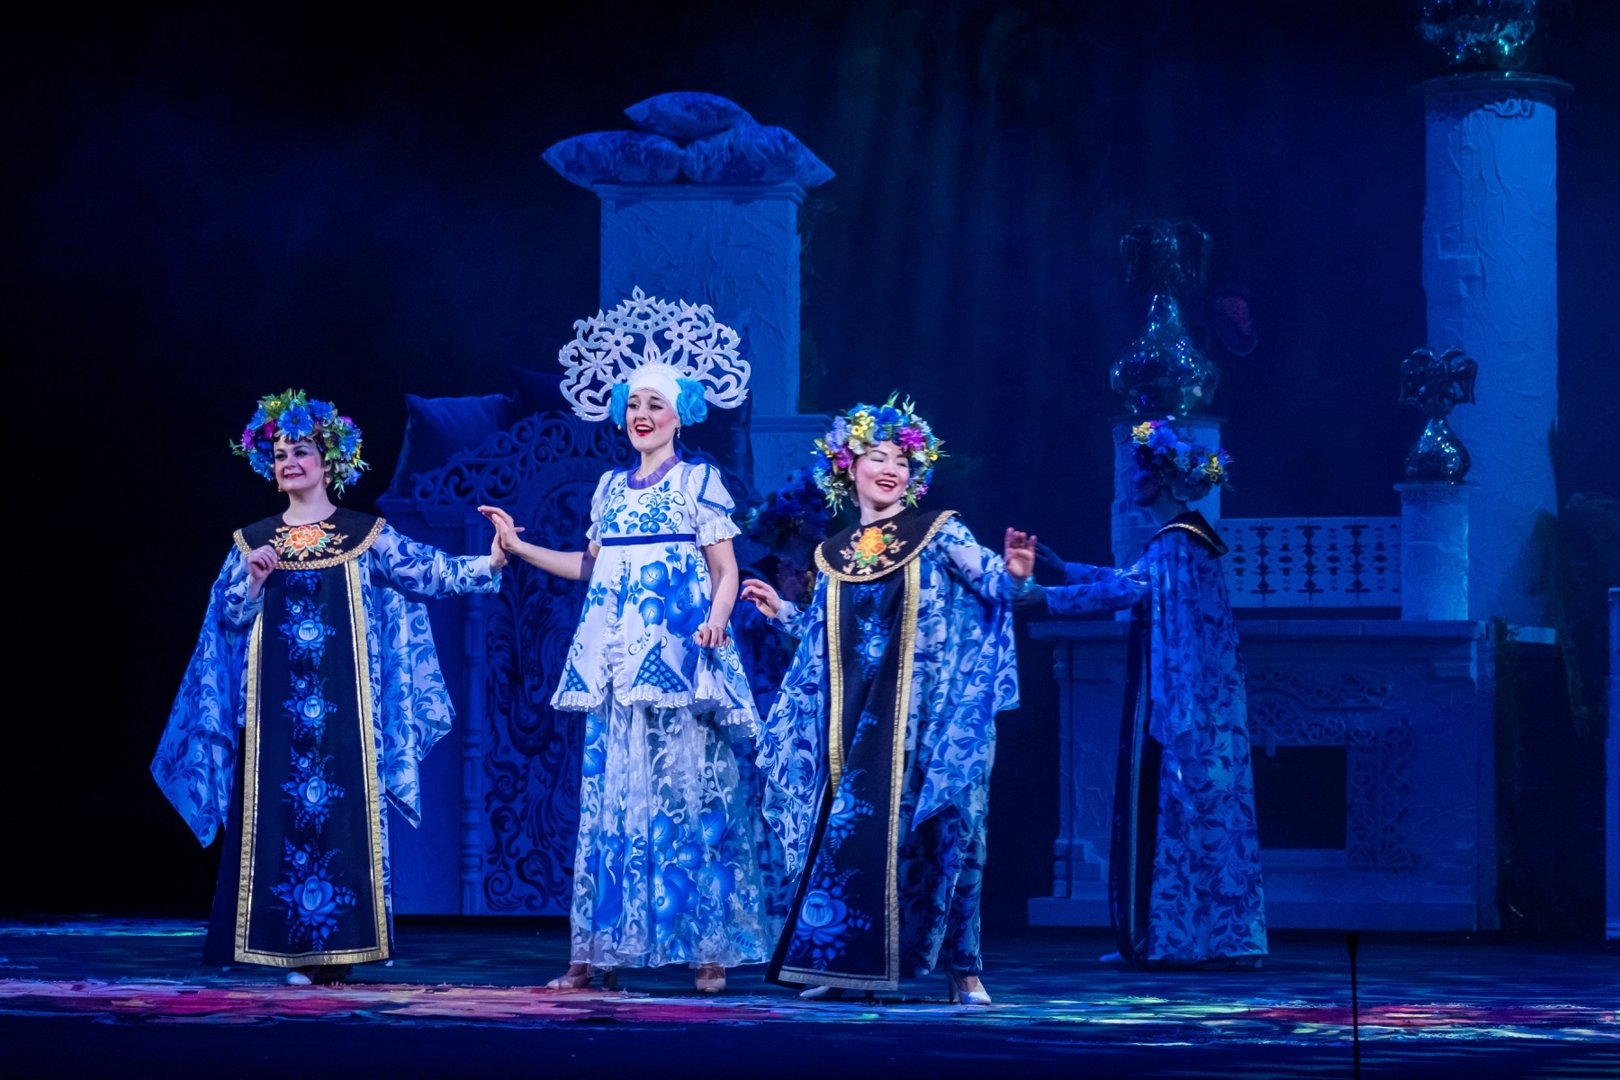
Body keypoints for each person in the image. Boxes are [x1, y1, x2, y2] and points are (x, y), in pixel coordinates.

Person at [151, 389, 506, 986]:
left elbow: (429, 570)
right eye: (281, 454)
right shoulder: (253, 541)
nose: (290, 462)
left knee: (344, 821)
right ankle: (288, 951)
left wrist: (490, 562)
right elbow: (227, 622)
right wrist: (253, 583)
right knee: (280, 820)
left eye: (302, 451)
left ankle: (340, 951)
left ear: (328, 461)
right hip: (274, 717)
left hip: (349, 710)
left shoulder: (363, 535)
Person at [479, 354, 769, 995]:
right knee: (612, 800)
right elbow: (591, 567)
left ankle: (708, 951)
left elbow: (725, 571)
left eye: (654, 405)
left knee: (689, 794)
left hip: (679, 656)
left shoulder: (697, 481)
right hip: (616, 661)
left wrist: (717, 620)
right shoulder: (610, 488)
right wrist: (520, 547)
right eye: (633, 405)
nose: (642, 415)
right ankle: (596, 954)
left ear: (679, 416)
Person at [740, 396, 1033, 1006]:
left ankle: (964, 968)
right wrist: (784, 612)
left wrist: (1015, 574)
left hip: (927, 718)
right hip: (855, 723)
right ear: (848, 467)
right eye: (877, 456)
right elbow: (828, 638)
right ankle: (846, 962)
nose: (891, 468)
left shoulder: (939, 532)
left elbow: (991, 582)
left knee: (951, 836)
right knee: (850, 837)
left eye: (902, 460)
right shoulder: (834, 553)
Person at [1016, 417, 1267, 970]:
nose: (1133, 478)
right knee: (1187, 806)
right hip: (1195, 693)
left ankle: (1191, 938)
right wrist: (1064, 571)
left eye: (1141, 470)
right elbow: (1133, 578)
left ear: (1165, 479)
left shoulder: (1179, 541)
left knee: (1182, 804)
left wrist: (1046, 597)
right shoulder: (1179, 541)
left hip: (1186, 698)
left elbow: (1128, 589)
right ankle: (1190, 936)